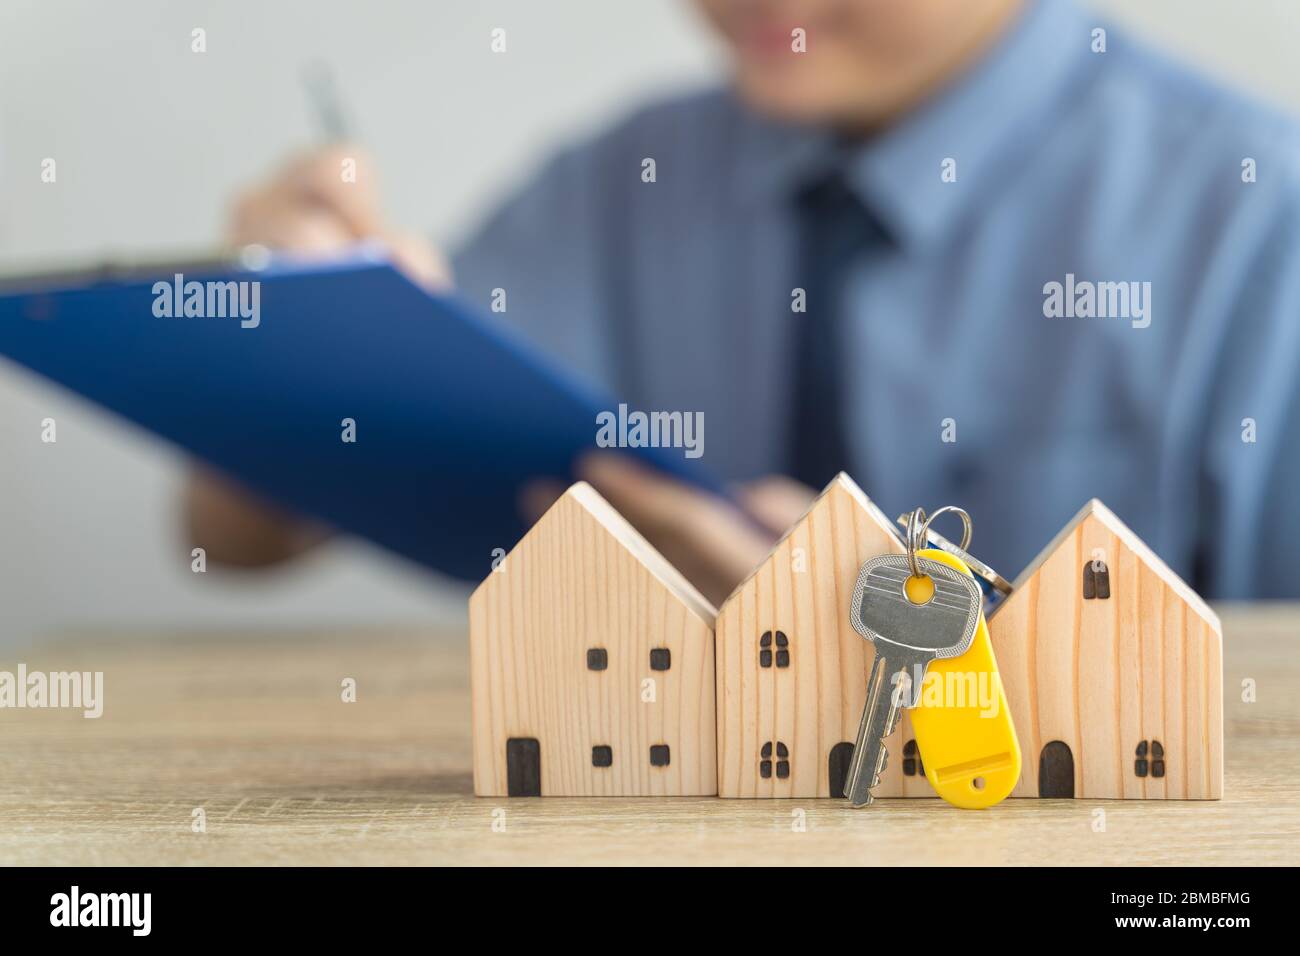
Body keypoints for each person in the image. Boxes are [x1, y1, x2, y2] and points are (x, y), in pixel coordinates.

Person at [189, 0, 1300, 604]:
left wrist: (860, 629)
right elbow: (235, 539)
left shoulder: (1258, 218)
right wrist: (297, 343)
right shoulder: (615, 182)